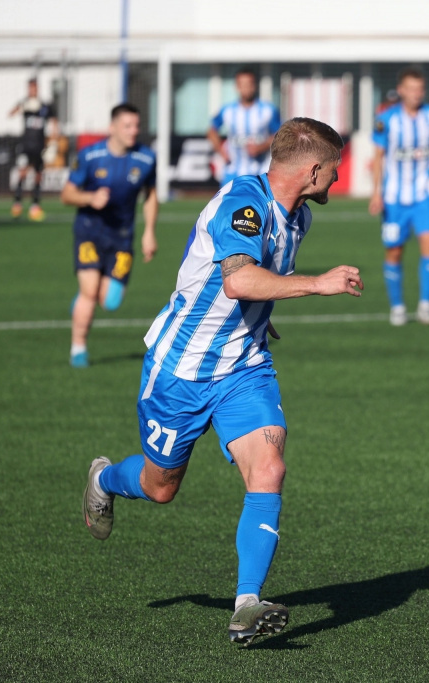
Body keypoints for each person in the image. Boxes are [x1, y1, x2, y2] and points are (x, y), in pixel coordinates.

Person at [81, 117, 362, 646]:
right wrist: (318, 284)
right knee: (161, 487)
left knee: (270, 467)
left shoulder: (298, 216)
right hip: (181, 371)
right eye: (334, 168)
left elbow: (256, 283)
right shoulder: (245, 204)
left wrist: (261, 317)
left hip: (244, 368)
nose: (337, 177)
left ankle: (246, 605)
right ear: (313, 170)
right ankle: (105, 479)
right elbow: (237, 280)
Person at [61, 103, 158, 368]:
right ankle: (78, 348)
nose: (133, 131)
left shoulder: (146, 158)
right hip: (89, 233)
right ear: (112, 127)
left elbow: (150, 196)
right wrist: (90, 198)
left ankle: (82, 302)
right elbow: (67, 194)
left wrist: (149, 232)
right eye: (127, 126)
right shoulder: (90, 156)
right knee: (90, 291)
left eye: (136, 125)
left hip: (122, 238)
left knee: (110, 302)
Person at [368, 66, 429, 326]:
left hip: (423, 195)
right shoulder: (387, 119)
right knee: (394, 251)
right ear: (401, 90)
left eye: (420, 89)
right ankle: (397, 307)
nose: (416, 93)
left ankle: (426, 305)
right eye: (411, 89)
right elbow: (378, 157)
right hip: (394, 199)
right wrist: (376, 193)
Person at [207, 67, 281, 185]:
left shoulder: (268, 110)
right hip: (232, 172)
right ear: (237, 86)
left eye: (249, 84)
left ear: (255, 85)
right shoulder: (227, 110)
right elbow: (212, 131)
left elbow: (279, 135)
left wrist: (262, 146)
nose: (246, 88)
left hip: (260, 172)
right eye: (242, 84)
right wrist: (221, 150)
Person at [8, 78, 57, 221]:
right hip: (26, 145)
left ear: (37, 89)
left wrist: (53, 141)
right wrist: (22, 107)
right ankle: (17, 204)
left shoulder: (45, 106)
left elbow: (54, 122)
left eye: (34, 88)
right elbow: (11, 114)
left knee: (38, 175)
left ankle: (35, 207)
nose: (32, 90)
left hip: (39, 146)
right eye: (30, 88)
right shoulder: (25, 104)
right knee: (22, 173)